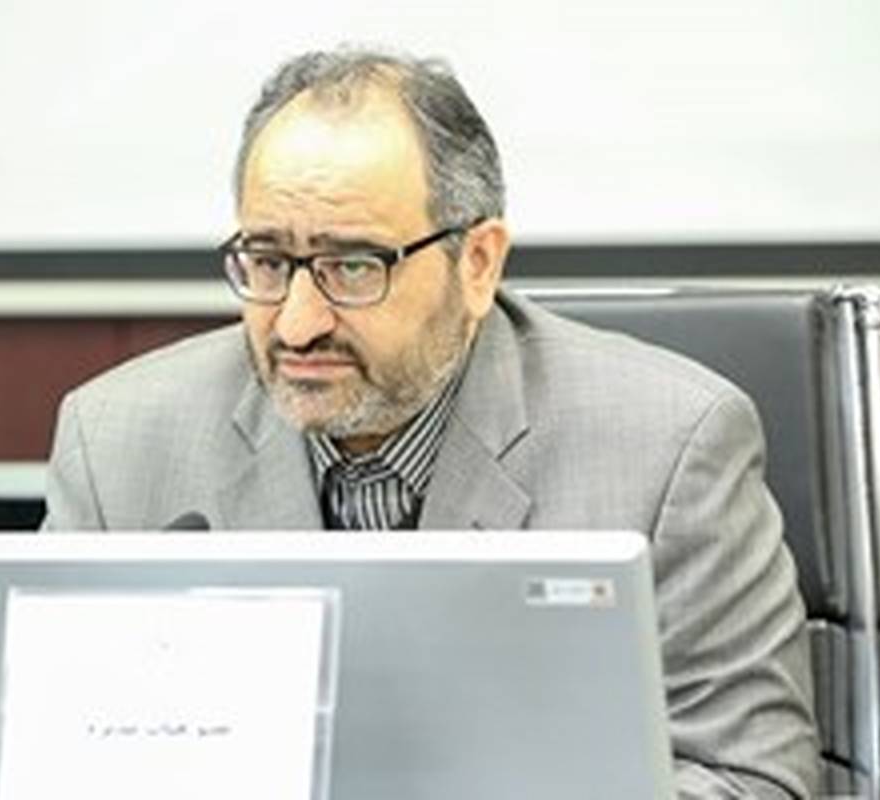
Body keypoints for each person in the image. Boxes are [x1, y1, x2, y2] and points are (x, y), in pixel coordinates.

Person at [42, 48, 819, 797]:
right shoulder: (114, 445)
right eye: (270, 262)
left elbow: (748, 777)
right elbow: (43, 756)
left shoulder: (671, 448)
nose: (298, 324)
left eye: (353, 266)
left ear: (477, 264)